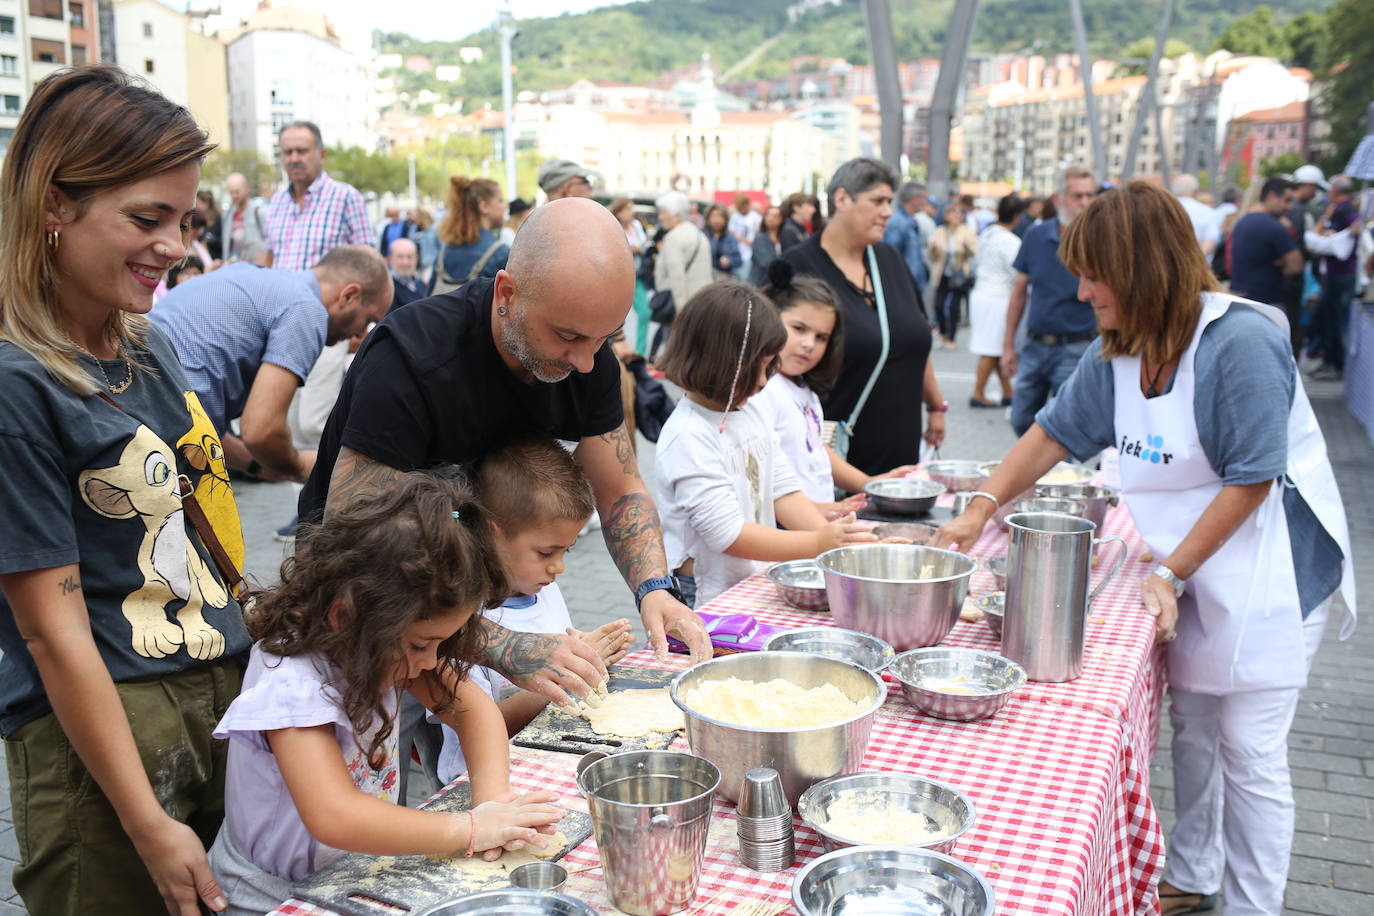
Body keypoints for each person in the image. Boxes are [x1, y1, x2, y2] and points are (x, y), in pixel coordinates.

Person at [934, 180, 1355, 916]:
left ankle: (1256, 905)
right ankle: (1192, 874)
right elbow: (1052, 433)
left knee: (1250, 752)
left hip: (1272, 576)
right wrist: (979, 509)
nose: (1083, 289)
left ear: (1142, 270)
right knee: (1194, 728)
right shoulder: (1121, 350)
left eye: (1095, 273)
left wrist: (1168, 572)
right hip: (1188, 568)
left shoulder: (1241, 342)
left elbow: (1252, 480)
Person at [0, 65, 252, 916]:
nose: (175, 246)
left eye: (185, 221)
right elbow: (52, 633)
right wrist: (144, 819)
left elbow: (203, 522)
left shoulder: (147, 346)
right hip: (101, 747)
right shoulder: (17, 384)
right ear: (52, 208)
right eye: (147, 218)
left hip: (212, 703)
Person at [298, 197, 712, 703]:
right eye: (567, 336)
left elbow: (620, 485)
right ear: (507, 294)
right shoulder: (412, 359)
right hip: (364, 609)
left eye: (603, 339)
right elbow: (355, 541)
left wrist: (655, 588)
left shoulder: (590, 360)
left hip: (470, 601)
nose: (584, 362)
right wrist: (503, 646)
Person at [208, 469, 565, 914]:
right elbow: (334, 816)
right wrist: (470, 829)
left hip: (352, 874)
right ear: (346, 615)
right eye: (421, 644)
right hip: (270, 897)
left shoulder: (373, 644)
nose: (432, 662)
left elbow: (472, 709)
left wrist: (492, 801)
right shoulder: (294, 684)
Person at [654, 280, 872, 607]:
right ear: (717, 360)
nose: (762, 381)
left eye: (770, 366)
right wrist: (816, 542)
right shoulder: (688, 435)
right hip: (701, 591)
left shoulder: (751, 408)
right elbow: (727, 534)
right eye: (755, 368)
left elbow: (782, 489)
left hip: (750, 578)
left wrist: (837, 547)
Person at [433, 439, 634, 786]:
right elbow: (479, 724)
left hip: (542, 761)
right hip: (475, 782)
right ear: (492, 535)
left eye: (566, 551)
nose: (558, 568)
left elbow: (551, 645)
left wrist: (585, 652)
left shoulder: (542, 589)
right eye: (546, 552)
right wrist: (561, 682)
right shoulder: (454, 619)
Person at [151, 246, 392, 488]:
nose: (362, 334)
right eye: (369, 320)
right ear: (349, 295)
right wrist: (298, 465)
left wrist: (257, 465)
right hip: (158, 439)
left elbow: (201, 418)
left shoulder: (252, 275)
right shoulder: (307, 310)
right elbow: (261, 431)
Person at [782, 157, 948, 476]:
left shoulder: (889, 259)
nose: (887, 211)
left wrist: (936, 405)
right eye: (878, 201)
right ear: (842, 199)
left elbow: (913, 341)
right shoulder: (798, 267)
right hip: (830, 464)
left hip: (900, 458)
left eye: (890, 202)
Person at [752, 262, 917, 514]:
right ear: (770, 319)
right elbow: (764, 481)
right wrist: (821, 511)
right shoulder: (762, 391)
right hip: (789, 528)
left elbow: (816, 450)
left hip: (818, 524)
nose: (809, 344)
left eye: (822, 337)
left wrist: (871, 484)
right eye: (799, 329)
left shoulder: (803, 388)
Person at [1002, 166, 1098, 436]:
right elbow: (1019, 292)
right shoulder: (1036, 235)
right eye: (1077, 196)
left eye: (1090, 195)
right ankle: (1034, 473)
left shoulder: (1100, 240)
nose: (1084, 203)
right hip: (1035, 345)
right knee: (1021, 419)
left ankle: (1058, 478)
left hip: (1077, 346)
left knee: (1063, 429)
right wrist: (1008, 345)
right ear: (1059, 199)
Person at [264, 121, 371, 271]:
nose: (294, 159)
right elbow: (270, 258)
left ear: (322, 155)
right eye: (288, 152)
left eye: (302, 151)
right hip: (277, 295)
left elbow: (368, 264)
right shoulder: (276, 202)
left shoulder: (346, 198)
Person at [967, 194, 1024, 407]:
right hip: (998, 297)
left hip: (982, 293)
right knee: (991, 350)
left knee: (996, 348)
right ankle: (978, 393)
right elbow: (1017, 272)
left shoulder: (988, 233)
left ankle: (1008, 392)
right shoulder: (1009, 240)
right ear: (1017, 216)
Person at [1305, 175, 1363, 381]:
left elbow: (1355, 228)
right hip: (1337, 272)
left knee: (1335, 319)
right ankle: (1333, 360)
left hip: (1340, 273)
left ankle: (1337, 363)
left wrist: (1338, 236)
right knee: (1330, 317)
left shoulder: (1345, 210)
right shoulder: (1340, 209)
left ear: (1336, 191)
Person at [1227, 177, 1301, 308]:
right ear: (1272, 196)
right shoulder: (1274, 227)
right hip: (1266, 302)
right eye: (1287, 200)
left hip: (1241, 298)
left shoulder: (1242, 221)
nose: (1289, 207)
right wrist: (1283, 263)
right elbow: (1295, 266)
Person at [652, 190, 713, 350]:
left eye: (664, 212)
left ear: (677, 214)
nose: (660, 217)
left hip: (678, 306)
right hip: (701, 303)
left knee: (675, 351)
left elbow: (677, 277)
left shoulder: (673, 237)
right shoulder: (700, 235)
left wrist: (681, 309)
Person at [432, 176, 509, 294]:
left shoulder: (445, 249)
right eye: (500, 201)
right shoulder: (499, 253)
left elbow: (427, 299)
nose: (505, 206)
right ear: (484, 206)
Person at [925, 203, 978, 349]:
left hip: (959, 274)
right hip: (942, 273)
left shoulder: (967, 231)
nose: (957, 215)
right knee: (939, 306)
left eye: (960, 213)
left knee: (954, 307)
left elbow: (973, 253)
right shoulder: (940, 231)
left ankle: (952, 338)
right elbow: (932, 256)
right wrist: (933, 248)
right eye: (954, 212)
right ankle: (943, 333)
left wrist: (967, 246)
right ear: (947, 215)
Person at [611, 197, 652, 354]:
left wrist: (641, 248)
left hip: (637, 275)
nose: (631, 212)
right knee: (616, 317)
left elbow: (643, 243)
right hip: (619, 277)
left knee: (645, 313)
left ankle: (640, 352)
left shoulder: (636, 225)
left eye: (631, 208)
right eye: (628, 209)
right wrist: (629, 248)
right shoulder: (613, 226)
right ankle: (618, 350)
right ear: (619, 211)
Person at [884, 181, 930, 294]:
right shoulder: (898, 222)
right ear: (914, 199)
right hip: (903, 290)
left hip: (910, 288)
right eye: (924, 197)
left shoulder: (910, 221)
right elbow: (889, 258)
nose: (926, 201)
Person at [222, 172, 268, 263]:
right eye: (231, 192)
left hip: (254, 268)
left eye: (237, 192)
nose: (234, 196)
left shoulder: (259, 212)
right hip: (233, 267)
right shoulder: (227, 215)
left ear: (247, 189)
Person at [1172, 173, 1221, 258]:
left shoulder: (1162, 210)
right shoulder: (1208, 212)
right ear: (1195, 191)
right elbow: (1210, 243)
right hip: (1196, 264)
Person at [749, 204, 784, 287]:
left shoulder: (783, 237)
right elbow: (766, 262)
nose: (771, 218)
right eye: (768, 215)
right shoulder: (760, 238)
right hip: (759, 283)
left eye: (775, 216)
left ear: (782, 219)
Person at [388, 237, 428, 311]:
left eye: (409, 257)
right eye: (400, 257)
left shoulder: (421, 284)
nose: (405, 262)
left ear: (416, 259)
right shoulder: (387, 288)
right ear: (390, 259)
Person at [704, 203, 743, 279]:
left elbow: (738, 260)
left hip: (723, 279)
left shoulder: (730, 238)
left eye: (720, 216)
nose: (717, 220)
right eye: (714, 216)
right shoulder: (703, 236)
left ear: (725, 219)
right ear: (708, 219)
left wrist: (729, 261)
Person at [728, 193, 761, 278]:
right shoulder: (734, 217)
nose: (739, 209)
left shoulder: (756, 218)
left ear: (746, 204)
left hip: (749, 255)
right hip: (736, 253)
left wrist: (739, 238)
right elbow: (731, 232)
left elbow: (752, 241)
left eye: (740, 206)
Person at [410, 207, 439, 277]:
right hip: (416, 264)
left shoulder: (434, 229)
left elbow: (439, 247)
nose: (414, 219)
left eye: (416, 217)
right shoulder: (413, 228)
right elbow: (410, 242)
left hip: (429, 264)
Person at [197, 188, 223, 257]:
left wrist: (208, 239)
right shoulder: (197, 216)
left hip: (213, 254)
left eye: (200, 203)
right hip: (200, 253)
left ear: (207, 203)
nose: (197, 206)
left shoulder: (217, 217)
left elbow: (221, 239)